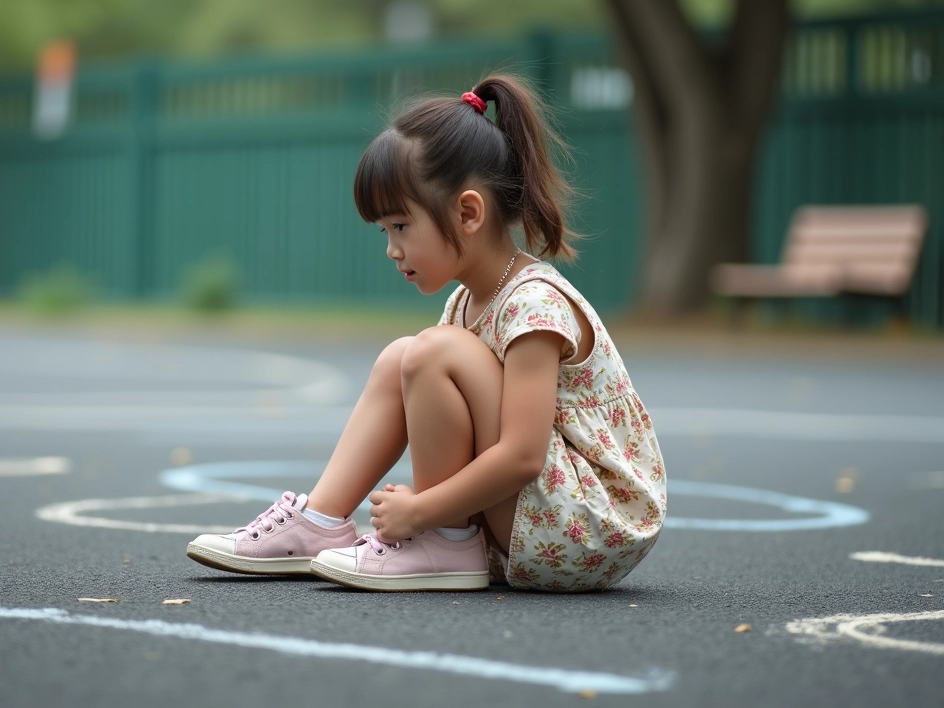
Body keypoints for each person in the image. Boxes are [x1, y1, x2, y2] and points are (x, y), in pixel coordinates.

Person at [187, 74, 666, 592]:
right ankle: (320, 523)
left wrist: (420, 510)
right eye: (384, 231)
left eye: (400, 226)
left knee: (429, 353)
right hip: (540, 515)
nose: (391, 249)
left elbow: (525, 455)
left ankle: (441, 541)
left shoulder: (533, 303)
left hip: (585, 525)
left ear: (467, 213)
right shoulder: (465, 300)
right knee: (404, 355)